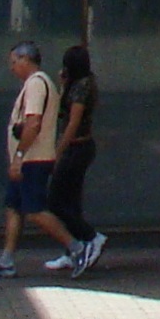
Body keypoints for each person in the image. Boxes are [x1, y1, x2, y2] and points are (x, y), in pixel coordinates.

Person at [0, 41, 71, 277]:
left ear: (25, 60)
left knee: (34, 210)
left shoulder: (36, 85)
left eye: (14, 62)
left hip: (34, 159)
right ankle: (6, 260)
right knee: (13, 207)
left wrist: (19, 156)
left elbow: (33, 123)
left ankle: (78, 248)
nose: (12, 68)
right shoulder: (35, 85)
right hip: (28, 159)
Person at [47, 43, 106, 277]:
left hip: (78, 147)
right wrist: (63, 86)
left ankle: (91, 238)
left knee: (55, 201)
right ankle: (72, 249)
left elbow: (71, 122)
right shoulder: (78, 84)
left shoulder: (82, 88)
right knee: (71, 200)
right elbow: (63, 112)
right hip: (78, 147)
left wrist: (58, 151)